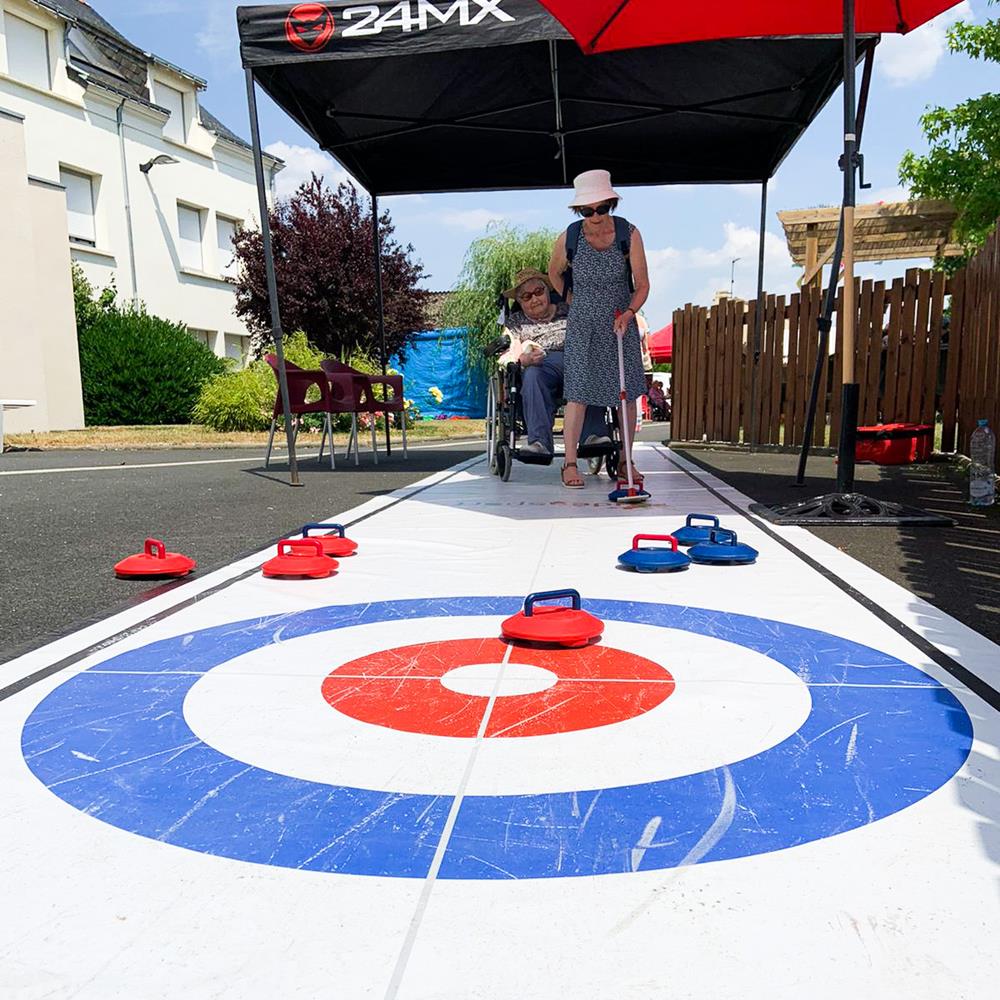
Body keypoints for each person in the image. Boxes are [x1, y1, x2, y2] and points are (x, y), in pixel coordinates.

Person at [548, 169, 650, 489]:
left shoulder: (628, 233)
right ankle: (568, 463)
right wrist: (573, 300)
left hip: (620, 321)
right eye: (586, 210)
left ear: (610, 203)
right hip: (582, 323)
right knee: (577, 393)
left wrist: (631, 312)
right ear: (579, 210)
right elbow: (554, 273)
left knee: (627, 394)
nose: (594, 216)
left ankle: (625, 460)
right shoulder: (571, 236)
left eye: (600, 209)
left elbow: (643, 284)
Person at [500, 268, 609, 457]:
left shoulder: (568, 310)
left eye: (538, 292)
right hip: (541, 364)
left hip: (576, 358)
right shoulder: (515, 322)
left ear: (547, 291)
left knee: (590, 365)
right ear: (519, 302)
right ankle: (539, 443)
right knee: (532, 374)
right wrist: (523, 359)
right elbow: (509, 351)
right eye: (526, 297)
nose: (534, 299)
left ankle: (592, 435)